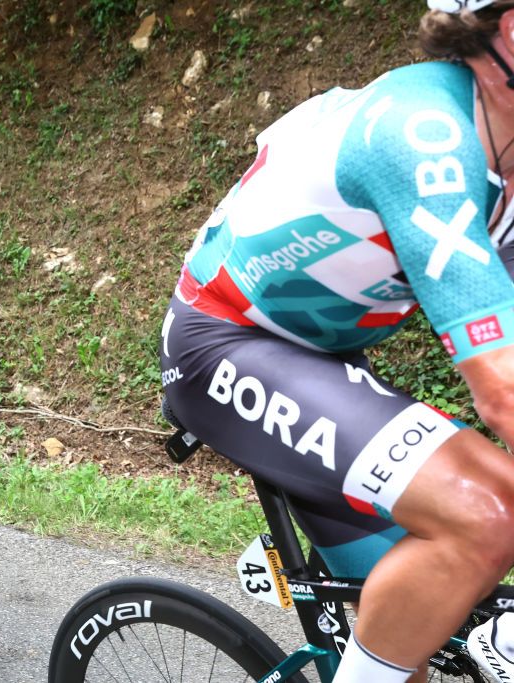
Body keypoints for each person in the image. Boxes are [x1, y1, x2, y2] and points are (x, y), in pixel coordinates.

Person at [161, 2, 514, 681]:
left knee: (407, 638)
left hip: (320, 357)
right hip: (224, 341)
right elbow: (499, 384)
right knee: (491, 510)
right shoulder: (423, 132)